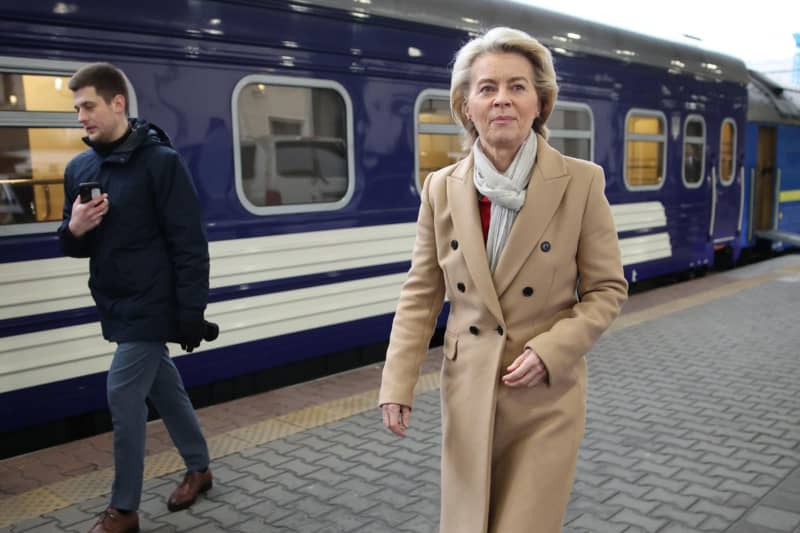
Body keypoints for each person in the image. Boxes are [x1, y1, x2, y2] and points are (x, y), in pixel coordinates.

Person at [379, 28, 628, 533]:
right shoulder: (441, 188)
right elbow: (422, 291)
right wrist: (397, 382)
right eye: (487, 88)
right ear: (465, 105)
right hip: (468, 387)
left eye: (517, 87)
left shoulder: (581, 182)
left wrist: (552, 350)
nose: (502, 101)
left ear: (540, 102)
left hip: (544, 397)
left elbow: (607, 290)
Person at [58, 63, 213, 533]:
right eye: (77, 109)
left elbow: (189, 242)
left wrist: (190, 312)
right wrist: (75, 228)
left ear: (117, 103)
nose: (81, 117)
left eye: (88, 106)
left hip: (153, 302)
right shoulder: (79, 168)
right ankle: (200, 468)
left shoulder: (160, 162)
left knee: (123, 393)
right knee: (165, 388)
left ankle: (123, 511)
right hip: (115, 301)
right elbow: (72, 242)